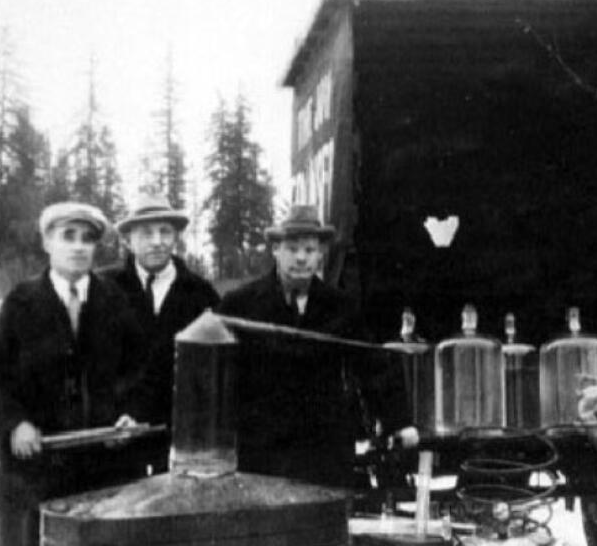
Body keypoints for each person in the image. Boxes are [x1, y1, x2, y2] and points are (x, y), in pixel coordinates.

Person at [0, 202, 146, 546]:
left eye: (87, 239)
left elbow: (141, 373)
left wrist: (129, 416)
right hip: (34, 478)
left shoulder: (115, 303)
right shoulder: (22, 303)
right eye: (67, 236)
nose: (78, 247)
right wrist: (14, 425)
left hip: (100, 480)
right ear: (47, 243)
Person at [217, 204, 418, 487]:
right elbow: (218, 373)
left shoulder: (341, 306)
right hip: (262, 453)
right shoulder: (240, 304)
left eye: (310, 250)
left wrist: (400, 422)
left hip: (324, 453)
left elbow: (374, 364)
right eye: (292, 249)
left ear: (321, 253)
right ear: (275, 249)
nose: (301, 258)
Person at [102, 194, 220, 470]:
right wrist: (114, 417)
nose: (157, 241)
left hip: (181, 439)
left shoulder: (201, 295)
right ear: (128, 240)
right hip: (118, 439)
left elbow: (211, 374)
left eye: (165, 231)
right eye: (146, 233)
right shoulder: (104, 289)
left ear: (176, 237)